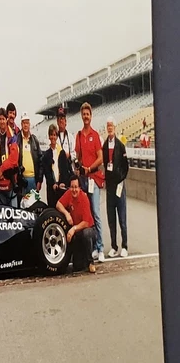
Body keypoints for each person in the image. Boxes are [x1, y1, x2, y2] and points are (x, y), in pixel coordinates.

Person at [75, 102, 105, 261]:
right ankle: (93, 246)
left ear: (91, 116)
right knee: (88, 214)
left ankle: (100, 247)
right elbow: (78, 157)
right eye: (84, 114)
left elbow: (100, 158)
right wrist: (78, 168)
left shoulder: (95, 135)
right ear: (81, 116)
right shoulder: (79, 136)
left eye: (88, 114)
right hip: (83, 180)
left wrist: (89, 168)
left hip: (93, 178)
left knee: (96, 212)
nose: (86, 117)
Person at [56, 174, 97, 273]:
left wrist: (73, 229)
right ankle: (78, 258)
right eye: (72, 187)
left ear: (79, 188)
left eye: (76, 187)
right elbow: (58, 204)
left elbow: (86, 223)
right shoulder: (69, 194)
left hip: (88, 230)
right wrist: (66, 213)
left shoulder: (84, 198)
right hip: (76, 233)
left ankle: (91, 262)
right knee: (77, 266)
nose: (74, 190)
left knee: (86, 233)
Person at [102, 117, 129, 257]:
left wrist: (121, 179)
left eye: (111, 125)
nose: (110, 128)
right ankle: (114, 246)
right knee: (111, 218)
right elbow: (106, 165)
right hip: (110, 188)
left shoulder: (120, 145)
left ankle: (125, 245)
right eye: (108, 126)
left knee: (122, 218)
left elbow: (126, 166)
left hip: (119, 186)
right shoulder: (105, 146)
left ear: (115, 127)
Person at [0, 108, 19, 206]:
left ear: (6, 119)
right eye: (0, 119)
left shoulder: (13, 136)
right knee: (0, 213)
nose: (2, 121)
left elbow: (14, 158)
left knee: (13, 212)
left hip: (10, 179)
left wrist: (2, 169)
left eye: (3, 119)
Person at [13, 112, 42, 203]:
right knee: (22, 206)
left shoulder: (34, 140)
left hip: (33, 179)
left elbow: (40, 160)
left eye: (27, 123)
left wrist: (40, 180)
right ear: (21, 124)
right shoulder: (17, 139)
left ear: (29, 124)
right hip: (22, 180)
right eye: (23, 123)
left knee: (34, 206)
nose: (25, 125)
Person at [40, 124, 71, 208]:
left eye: (54, 135)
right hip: (51, 187)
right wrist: (52, 183)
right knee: (52, 209)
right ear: (49, 136)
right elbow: (47, 172)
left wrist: (62, 183)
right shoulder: (46, 154)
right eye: (51, 135)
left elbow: (65, 170)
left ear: (57, 136)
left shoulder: (61, 152)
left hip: (61, 186)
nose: (53, 137)